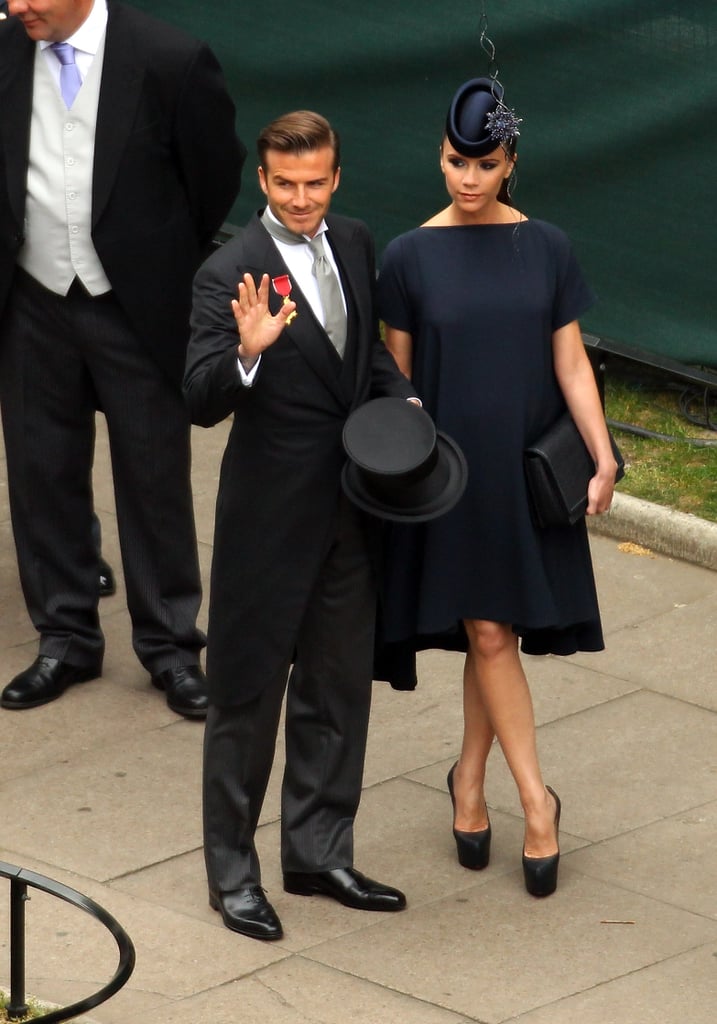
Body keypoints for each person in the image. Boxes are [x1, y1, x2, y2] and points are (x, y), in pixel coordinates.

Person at [377, 78, 618, 898]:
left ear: (509, 160)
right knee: (486, 633)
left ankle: (468, 781)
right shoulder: (408, 256)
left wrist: (603, 454)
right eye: (453, 161)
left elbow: (570, 362)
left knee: (494, 637)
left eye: (482, 163)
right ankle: (535, 803)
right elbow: (398, 380)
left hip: (523, 472)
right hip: (450, 478)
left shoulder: (546, 245)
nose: (466, 178)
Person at [184, 110, 417, 941]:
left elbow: (368, 363)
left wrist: (405, 407)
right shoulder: (229, 271)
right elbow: (199, 395)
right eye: (285, 184)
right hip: (267, 525)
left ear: (336, 177)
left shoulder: (353, 241)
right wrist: (246, 354)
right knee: (245, 702)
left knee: (336, 690)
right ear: (263, 180)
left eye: (315, 182)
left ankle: (318, 851)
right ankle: (234, 876)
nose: (301, 199)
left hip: (351, 515)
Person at [0, 0, 245, 716]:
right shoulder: (8, 50)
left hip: (136, 308)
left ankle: (170, 647)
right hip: (31, 301)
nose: (17, 6)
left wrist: (155, 263)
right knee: (41, 471)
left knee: (154, 475)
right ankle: (66, 637)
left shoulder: (171, 60)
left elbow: (212, 178)